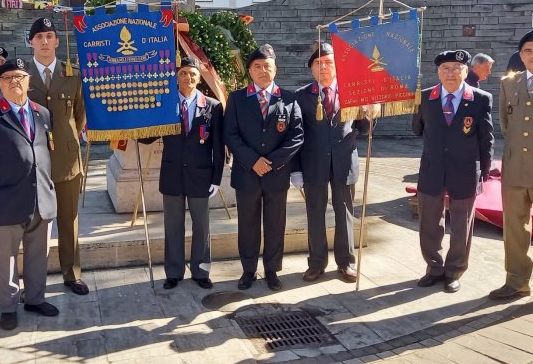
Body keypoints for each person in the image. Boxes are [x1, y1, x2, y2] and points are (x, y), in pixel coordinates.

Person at [0, 58, 58, 330]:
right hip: (4, 201)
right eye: (7, 78)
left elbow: (45, 154)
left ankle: (35, 298)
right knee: (6, 259)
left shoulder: (42, 113)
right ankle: (8, 306)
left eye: (19, 77)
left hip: (41, 199)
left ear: (28, 81)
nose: (14, 82)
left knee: (37, 254)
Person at [412, 49, 494, 293]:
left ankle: (454, 271)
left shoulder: (480, 99)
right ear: (438, 72)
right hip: (432, 169)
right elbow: (417, 129)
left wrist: (485, 171)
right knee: (429, 223)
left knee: (461, 225)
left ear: (466, 71)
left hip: (466, 170)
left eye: (456, 68)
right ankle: (434, 267)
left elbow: (486, 139)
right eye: (445, 69)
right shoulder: (425, 97)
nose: (451, 73)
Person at [291, 43, 374, 284]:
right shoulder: (301, 96)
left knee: (345, 213)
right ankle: (316, 263)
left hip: (344, 162)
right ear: (311, 69)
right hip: (312, 164)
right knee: (315, 214)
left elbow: (364, 129)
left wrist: (369, 113)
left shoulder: (354, 92)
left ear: (337, 67)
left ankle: (346, 262)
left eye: (328, 63)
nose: (324, 67)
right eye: (318, 63)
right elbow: (296, 136)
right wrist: (295, 169)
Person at [224, 44, 304, 291]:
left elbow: (297, 135)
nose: (262, 70)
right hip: (247, 175)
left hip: (276, 175)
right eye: (257, 66)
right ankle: (249, 270)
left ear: (275, 69)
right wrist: (252, 161)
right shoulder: (237, 98)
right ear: (249, 70)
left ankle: (272, 270)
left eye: (267, 66)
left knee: (275, 224)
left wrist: (272, 162)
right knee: (247, 225)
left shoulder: (289, 99)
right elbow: (231, 134)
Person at [141, 57, 224, 290]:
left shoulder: (213, 106)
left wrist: (216, 178)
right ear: (176, 77)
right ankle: (174, 271)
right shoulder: (165, 105)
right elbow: (147, 138)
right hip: (172, 174)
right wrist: (132, 121)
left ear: (199, 77)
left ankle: (201, 270)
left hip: (201, 175)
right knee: (173, 225)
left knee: (202, 225)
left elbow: (218, 147)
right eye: (183, 73)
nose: (188, 78)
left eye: (192, 73)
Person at [26, 18, 88, 296]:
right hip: (32, 161)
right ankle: (32, 282)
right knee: (33, 225)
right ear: (31, 42)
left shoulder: (72, 73)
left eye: (50, 36)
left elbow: (78, 115)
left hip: (66, 160)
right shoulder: (21, 75)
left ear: (57, 41)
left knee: (69, 220)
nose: (44, 41)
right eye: (39, 37)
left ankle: (72, 274)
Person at [489, 29, 533, 300]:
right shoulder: (510, 83)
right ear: (520, 55)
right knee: (515, 228)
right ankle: (517, 281)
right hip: (515, 167)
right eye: (528, 51)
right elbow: (506, 125)